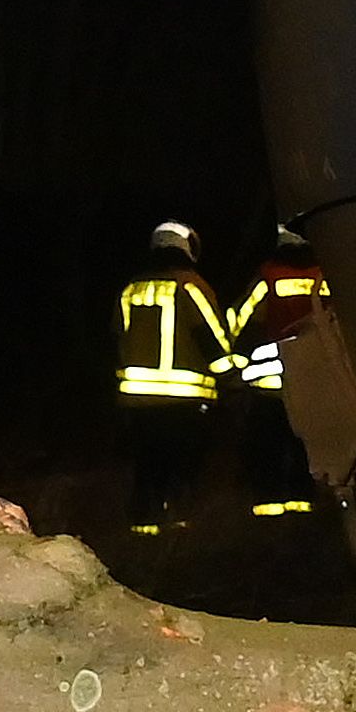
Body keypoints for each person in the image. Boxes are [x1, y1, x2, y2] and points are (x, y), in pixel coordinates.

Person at [116, 219, 244, 536]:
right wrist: (232, 378)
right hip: (184, 399)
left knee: (147, 463)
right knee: (182, 464)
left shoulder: (132, 288)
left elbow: (117, 336)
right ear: (188, 248)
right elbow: (210, 336)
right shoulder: (191, 286)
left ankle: (143, 526)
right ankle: (179, 526)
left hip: (138, 400)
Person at [233, 226, 330, 520]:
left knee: (268, 441)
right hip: (312, 377)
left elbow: (240, 319)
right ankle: (303, 499)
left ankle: (268, 501)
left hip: (270, 380)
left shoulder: (268, 275)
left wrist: (235, 359)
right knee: (305, 441)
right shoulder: (323, 275)